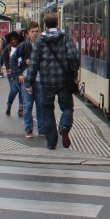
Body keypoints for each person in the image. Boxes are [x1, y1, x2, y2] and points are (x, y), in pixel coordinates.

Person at [26, 14, 81, 150]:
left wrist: (29, 82)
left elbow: (34, 62)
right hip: (63, 81)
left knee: (47, 112)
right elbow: (73, 56)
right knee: (67, 108)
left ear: (45, 25)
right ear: (57, 23)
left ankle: (51, 142)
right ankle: (64, 126)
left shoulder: (40, 40)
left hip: (46, 82)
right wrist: (74, 73)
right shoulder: (65, 37)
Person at [17, 24, 40, 139]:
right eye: (33, 31)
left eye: (37, 31)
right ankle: (28, 129)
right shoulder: (24, 45)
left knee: (40, 105)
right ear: (28, 33)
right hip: (26, 79)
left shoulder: (42, 45)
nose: (35, 33)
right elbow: (12, 59)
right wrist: (19, 74)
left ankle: (41, 129)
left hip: (40, 79)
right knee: (27, 105)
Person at [3, 32, 24, 118]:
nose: (13, 41)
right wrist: (8, 70)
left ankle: (21, 109)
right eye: (11, 40)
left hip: (21, 72)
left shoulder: (21, 47)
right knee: (14, 90)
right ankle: (9, 104)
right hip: (12, 73)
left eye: (15, 39)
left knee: (22, 90)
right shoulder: (7, 49)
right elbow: (6, 61)